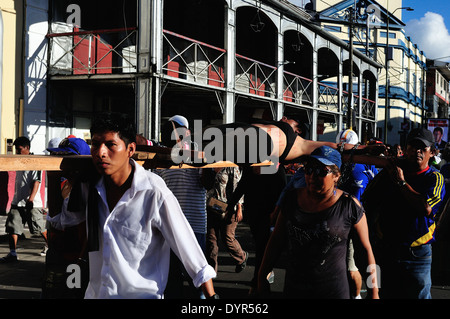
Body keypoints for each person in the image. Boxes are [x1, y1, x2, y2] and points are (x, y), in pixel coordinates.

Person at [47, 112, 217, 299]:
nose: (101, 152)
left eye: (111, 145)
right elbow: (61, 221)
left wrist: (211, 296)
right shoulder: (90, 187)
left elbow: (190, 250)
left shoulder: (153, 192)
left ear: (130, 150)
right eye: (95, 144)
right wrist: (55, 173)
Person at [257, 146, 379, 299]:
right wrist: (261, 277)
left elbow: (366, 251)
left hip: (334, 291)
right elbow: (276, 241)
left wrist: (375, 292)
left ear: (336, 176)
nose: (313, 176)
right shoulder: (291, 200)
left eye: (321, 171)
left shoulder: (350, 206)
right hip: (295, 290)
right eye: (309, 169)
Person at [362, 127, 446, 299]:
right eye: (413, 147)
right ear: (406, 149)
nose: (417, 152)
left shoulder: (435, 178)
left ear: (432, 152)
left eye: (423, 148)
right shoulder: (390, 172)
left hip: (418, 254)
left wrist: (401, 183)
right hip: (387, 250)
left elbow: (426, 208)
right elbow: (368, 200)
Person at [154, 115, 210, 298]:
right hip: (168, 227)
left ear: (187, 132)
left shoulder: (198, 153)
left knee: (198, 277)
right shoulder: (160, 158)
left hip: (194, 225)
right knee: (171, 280)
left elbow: (207, 183)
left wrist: (210, 165)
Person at [43, 137, 92, 298]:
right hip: (60, 251)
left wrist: (81, 259)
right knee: (53, 291)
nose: (62, 163)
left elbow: (89, 226)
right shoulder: (67, 184)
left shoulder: (87, 186)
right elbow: (56, 217)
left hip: (76, 255)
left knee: (73, 291)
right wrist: (52, 176)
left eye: (67, 157)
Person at [336, 129, 378, 299]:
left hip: (363, 221)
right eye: (341, 148)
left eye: (348, 148)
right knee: (350, 266)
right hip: (341, 221)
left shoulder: (368, 164)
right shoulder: (335, 162)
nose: (344, 151)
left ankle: (366, 294)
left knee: (365, 262)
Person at [1, 137, 47, 263]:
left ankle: (51, 248)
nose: (17, 152)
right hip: (18, 201)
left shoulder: (36, 162)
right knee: (13, 227)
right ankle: (12, 253)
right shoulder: (19, 161)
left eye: (19, 149)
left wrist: (30, 200)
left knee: (39, 228)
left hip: (31, 202)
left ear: (27, 148)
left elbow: (36, 182)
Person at [205, 167, 248, 274]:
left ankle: (241, 257)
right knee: (211, 240)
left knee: (227, 238)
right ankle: (211, 270)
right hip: (211, 206)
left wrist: (239, 208)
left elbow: (238, 187)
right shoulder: (209, 165)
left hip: (229, 208)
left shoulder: (231, 166)